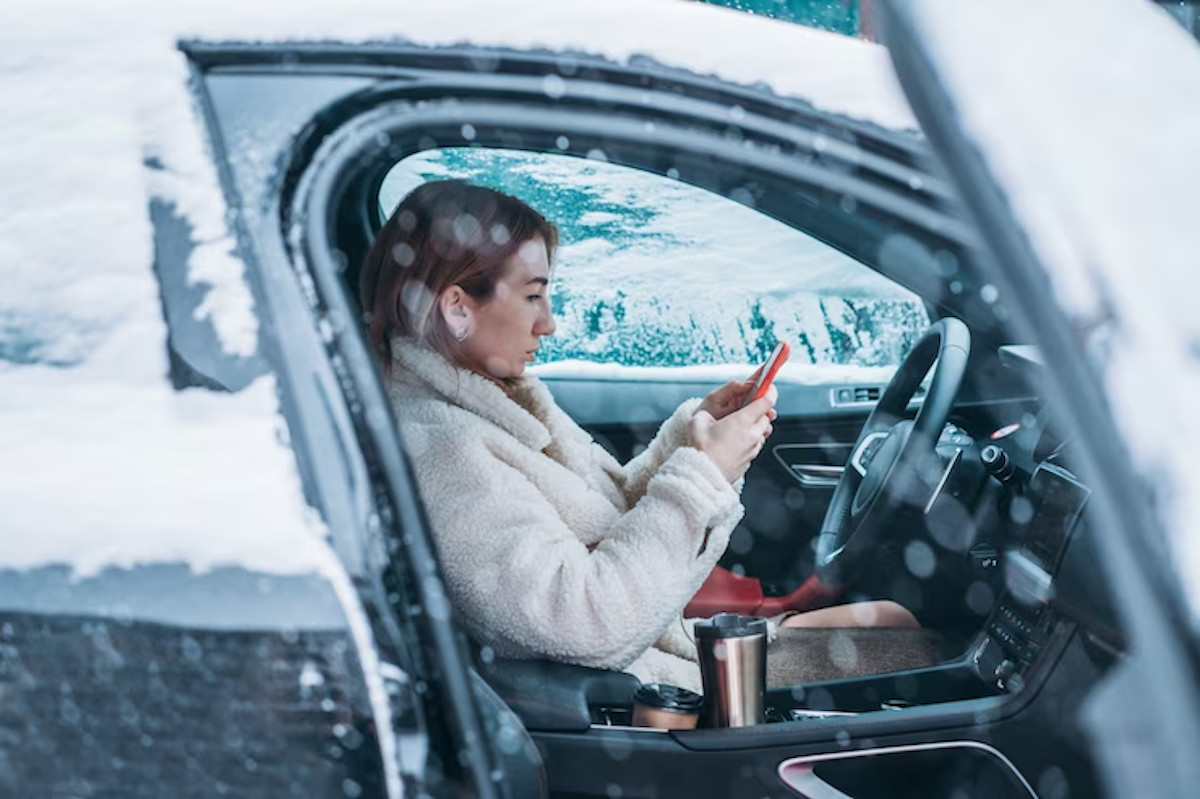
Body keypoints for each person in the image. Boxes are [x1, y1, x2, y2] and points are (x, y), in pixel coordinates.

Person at [362, 179, 916, 692]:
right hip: (654, 692)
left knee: (895, 624)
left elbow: (603, 518)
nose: (549, 323)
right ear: (458, 307)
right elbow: (587, 624)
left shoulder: (496, 399)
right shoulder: (443, 451)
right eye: (533, 296)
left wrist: (693, 445)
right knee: (924, 657)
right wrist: (704, 476)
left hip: (664, 650)